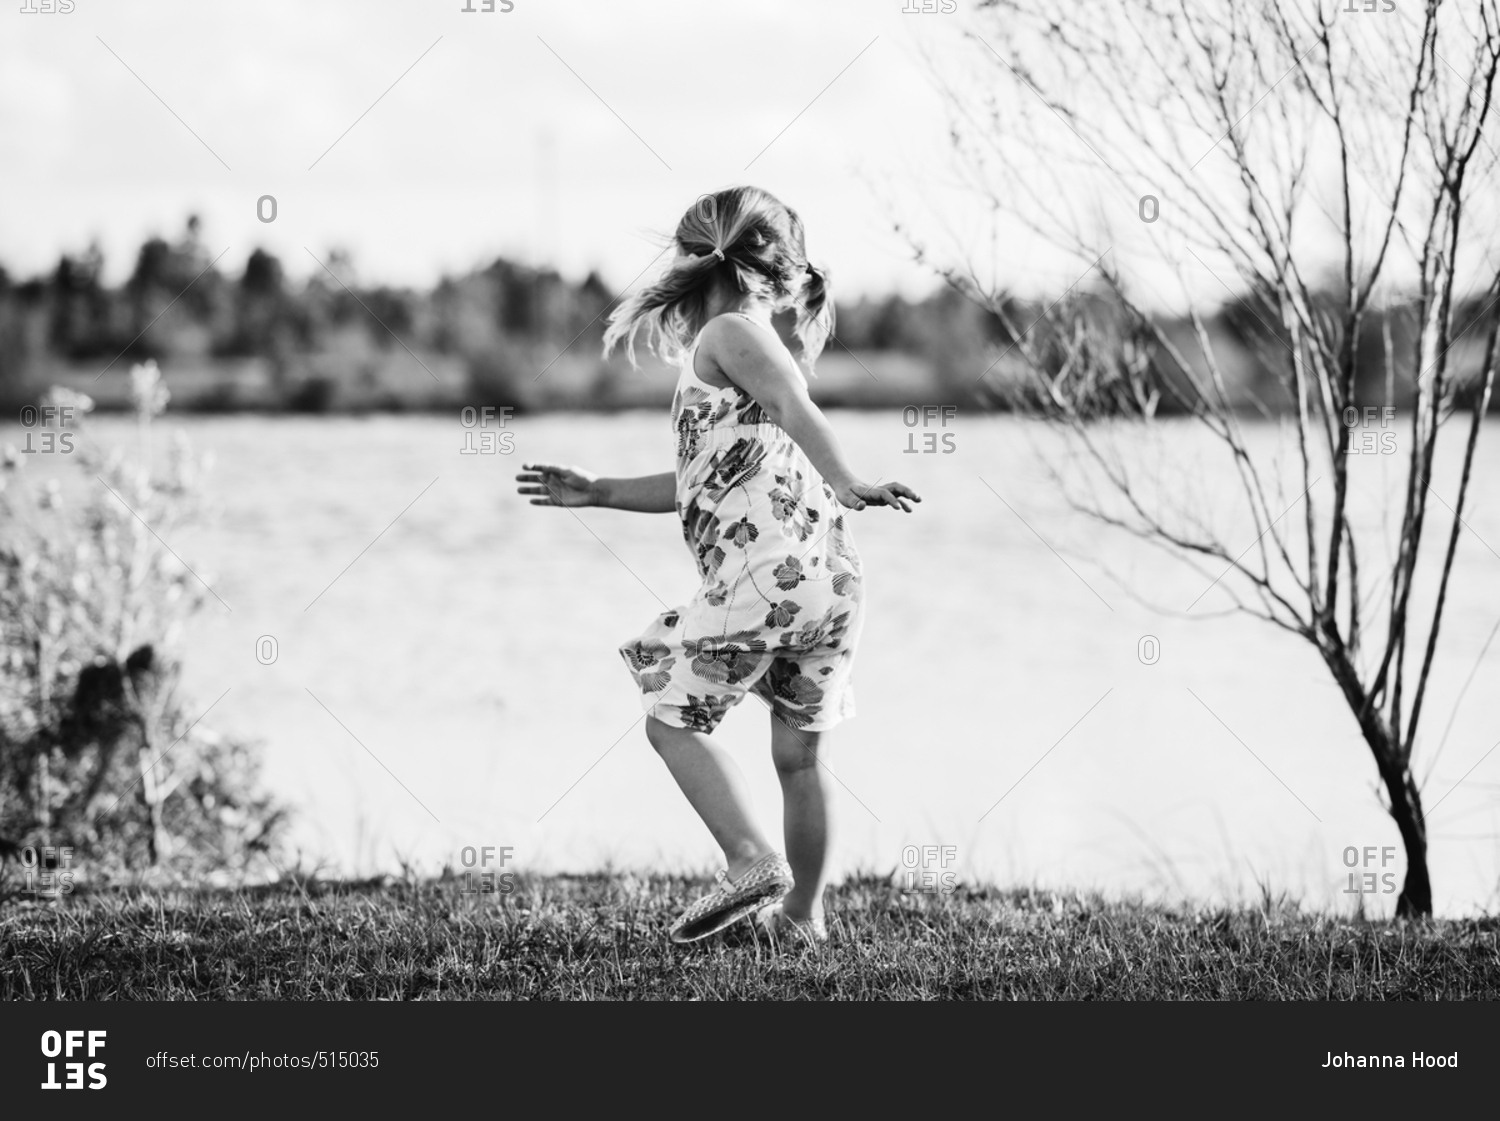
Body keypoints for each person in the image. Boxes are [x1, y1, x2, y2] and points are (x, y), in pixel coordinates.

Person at [517, 186, 919, 945]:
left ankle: (750, 857)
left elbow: (801, 409)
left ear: (701, 262)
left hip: (766, 579)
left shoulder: (731, 334)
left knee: (669, 713)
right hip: (825, 584)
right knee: (799, 756)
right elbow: (702, 479)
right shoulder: (748, 343)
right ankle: (803, 920)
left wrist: (844, 477)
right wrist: (600, 490)